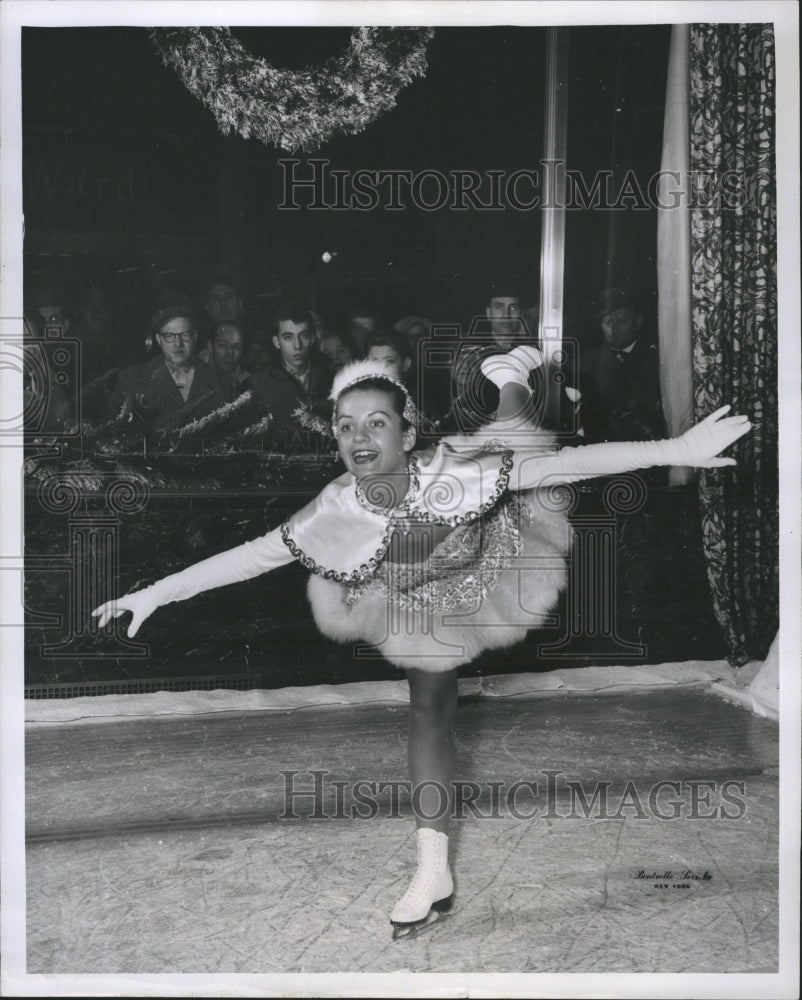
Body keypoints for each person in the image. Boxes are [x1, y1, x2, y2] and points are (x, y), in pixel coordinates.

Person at [93, 347, 750, 938]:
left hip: (485, 546)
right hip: (417, 591)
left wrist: (678, 449)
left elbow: (573, 463)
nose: (358, 437)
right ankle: (433, 869)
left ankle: (511, 378)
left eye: (376, 422)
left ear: (409, 435)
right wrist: (153, 594)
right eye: (346, 426)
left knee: (518, 441)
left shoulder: (452, 470)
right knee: (429, 708)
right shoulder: (334, 509)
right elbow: (249, 557)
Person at [103, 289, 234, 431]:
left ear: (195, 337)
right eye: (169, 336)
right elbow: (109, 436)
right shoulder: (131, 380)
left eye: (185, 334)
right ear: (159, 339)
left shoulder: (224, 385)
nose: (178, 343)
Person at [578, 285, 665, 443]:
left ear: (637, 322)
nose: (614, 329)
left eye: (622, 321)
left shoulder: (656, 359)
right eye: (607, 322)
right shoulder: (587, 362)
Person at [247, 300, 332, 444]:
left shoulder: (331, 379)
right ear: (276, 342)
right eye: (288, 337)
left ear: (312, 339)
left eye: (303, 336)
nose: (297, 345)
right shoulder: (257, 385)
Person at [207, 321, 250, 386]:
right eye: (223, 345)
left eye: (236, 347)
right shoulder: (191, 375)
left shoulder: (250, 383)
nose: (230, 353)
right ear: (210, 346)